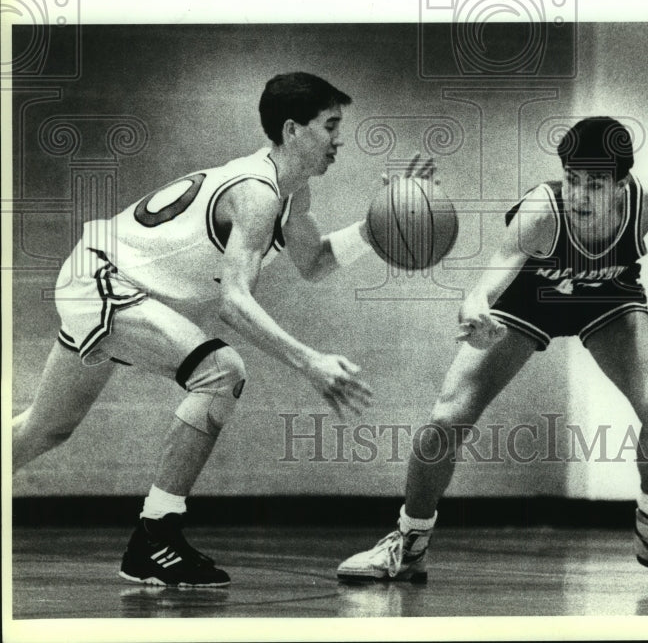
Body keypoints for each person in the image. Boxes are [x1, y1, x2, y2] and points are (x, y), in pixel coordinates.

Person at [13, 72, 424, 587]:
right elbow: (233, 302)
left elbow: (314, 262)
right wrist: (310, 361)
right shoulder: (256, 194)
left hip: (111, 284)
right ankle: (154, 537)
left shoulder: (292, 195)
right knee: (221, 372)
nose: (340, 138)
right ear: (294, 130)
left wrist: (373, 228)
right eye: (331, 125)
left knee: (45, 428)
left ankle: (153, 538)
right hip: (104, 279)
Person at [337, 116, 648, 587]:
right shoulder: (542, 211)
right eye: (573, 180)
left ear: (621, 185)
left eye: (595, 184)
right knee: (446, 421)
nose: (579, 195)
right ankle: (407, 545)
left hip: (608, 297)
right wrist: (474, 312)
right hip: (530, 298)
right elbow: (490, 281)